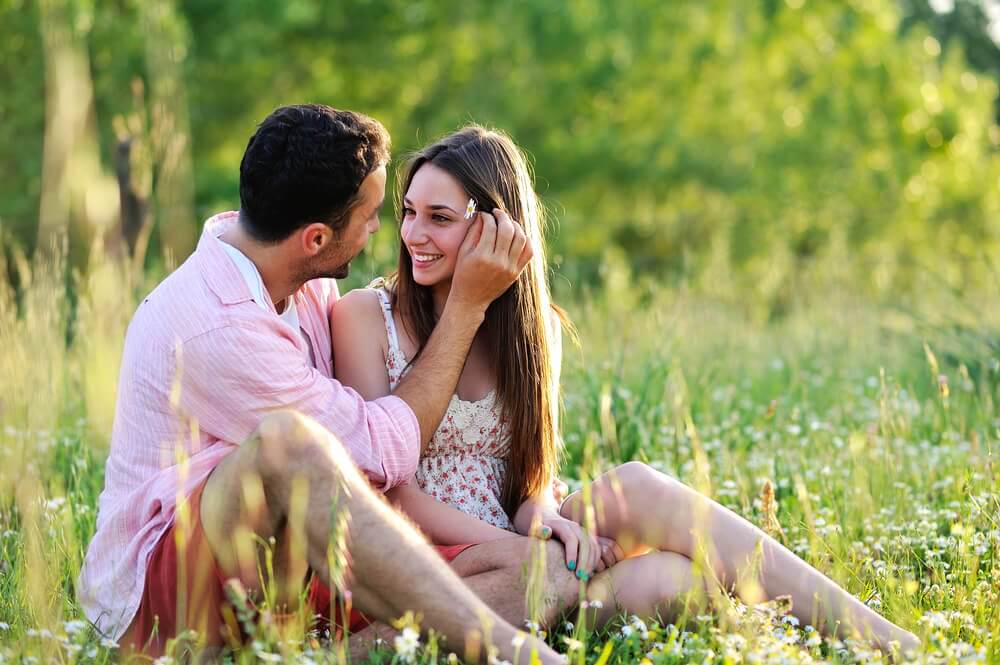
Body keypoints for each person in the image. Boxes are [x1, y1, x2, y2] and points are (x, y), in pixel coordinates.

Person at [330, 125, 922, 656]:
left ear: (497, 229)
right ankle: (557, 606)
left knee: (667, 564)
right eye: (409, 212)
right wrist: (530, 551)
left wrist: (544, 522)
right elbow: (388, 494)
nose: (413, 234)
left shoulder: (534, 335)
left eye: (440, 217)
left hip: (524, 540)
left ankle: (878, 638)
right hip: (436, 557)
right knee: (658, 581)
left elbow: (530, 475)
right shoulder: (364, 317)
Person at [77, 105, 577, 663]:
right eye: (371, 217)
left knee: (537, 572)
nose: (382, 232)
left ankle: (334, 656)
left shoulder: (298, 278)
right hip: (166, 590)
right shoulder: (215, 324)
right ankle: (510, 650)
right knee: (287, 443)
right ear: (315, 238)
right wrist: (465, 308)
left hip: (292, 561)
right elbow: (381, 453)